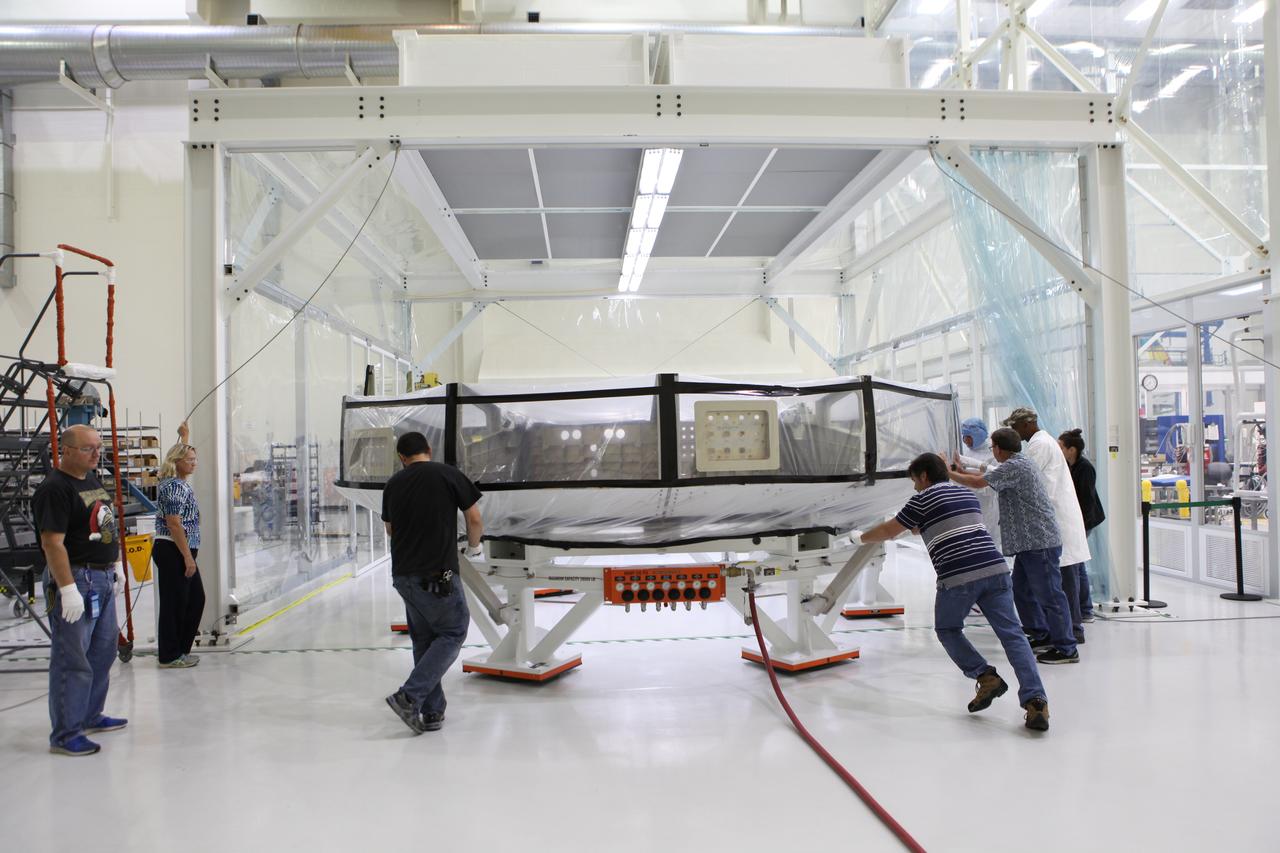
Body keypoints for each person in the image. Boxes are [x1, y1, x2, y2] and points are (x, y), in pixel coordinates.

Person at [860, 452, 1050, 731]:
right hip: (995, 569)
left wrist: (859, 538)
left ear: (924, 476)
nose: (914, 487)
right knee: (1013, 636)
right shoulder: (965, 495)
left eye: (915, 481)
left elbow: (890, 530)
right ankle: (1036, 701)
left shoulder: (920, 500)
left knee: (947, 629)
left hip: (959, 576)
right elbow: (936, 523)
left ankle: (986, 677)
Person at [32, 425, 128, 756]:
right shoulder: (54, 489)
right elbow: (52, 542)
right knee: (73, 658)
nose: (96, 453)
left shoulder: (90, 479)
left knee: (103, 651)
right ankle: (66, 731)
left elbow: (106, 524)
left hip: (101, 577)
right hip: (77, 579)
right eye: (88, 448)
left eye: (98, 447)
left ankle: (89, 713)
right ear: (67, 449)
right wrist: (67, 589)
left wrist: (116, 565)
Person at [950, 428, 1080, 665]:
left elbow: (980, 482)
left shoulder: (1016, 467)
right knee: (1021, 590)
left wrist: (947, 473)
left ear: (999, 449)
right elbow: (987, 473)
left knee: (1049, 594)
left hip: (1039, 542)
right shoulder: (1016, 464)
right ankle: (1040, 633)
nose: (992, 453)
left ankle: (1066, 647)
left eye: (993, 449)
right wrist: (960, 468)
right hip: (1027, 543)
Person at [382, 431, 483, 735]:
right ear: (429, 449)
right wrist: (474, 547)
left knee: (424, 641)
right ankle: (409, 696)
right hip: (437, 575)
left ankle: (432, 712)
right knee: (453, 631)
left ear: (402, 457)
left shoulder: (393, 485)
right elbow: (475, 520)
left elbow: (390, 530)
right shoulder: (448, 474)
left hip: (403, 575)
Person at [1003, 408, 1091, 646]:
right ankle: (1051, 632)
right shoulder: (1040, 443)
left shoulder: (1039, 445)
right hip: (1046, 528)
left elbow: (1021, 475)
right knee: (1042, 586)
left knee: (1060, 586)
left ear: (1027, 424)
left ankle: (1070, 633)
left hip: (1054, 525)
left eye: (1015, 427)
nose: (1014, 432)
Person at [153, 421, 205, 668]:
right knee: (175, 602)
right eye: (190, 460)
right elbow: (174, 524)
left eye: (195, 459)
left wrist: (185, 436)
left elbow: (180, 453)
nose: (194, 463)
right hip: (173, 549)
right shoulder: (174, 487)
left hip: (181, 549)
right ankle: (170, 655)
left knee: (194, 599)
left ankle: (180, 651)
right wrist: (187, 557)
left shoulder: (176, 481)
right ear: (177, 463)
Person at [1058, 429, 1105, 622]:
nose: (1057, 449)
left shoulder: (1085, 468)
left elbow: (1086, 500)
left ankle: (1084, 610)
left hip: (1084, 520)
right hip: (1076, 521)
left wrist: (1079, 526)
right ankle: (1083, 609)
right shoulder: (1069, 466)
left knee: (1075, 565)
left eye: (1060, 446)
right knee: (1077, 565)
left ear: (1072, 449)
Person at [958, 417, 1001, 552]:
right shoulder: (965, 452)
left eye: (969, 437)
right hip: (967, 502)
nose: (966, 441)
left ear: (978, 435)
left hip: (987, 505)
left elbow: (992, 483)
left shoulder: (994, 453)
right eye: (964, 437)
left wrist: (968, 478)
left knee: (988, 538)